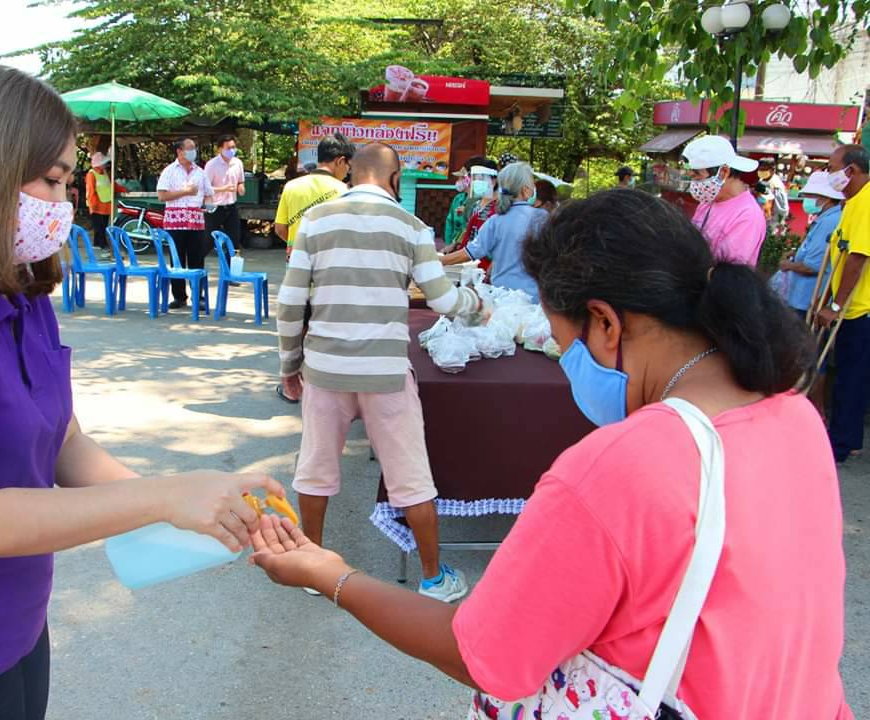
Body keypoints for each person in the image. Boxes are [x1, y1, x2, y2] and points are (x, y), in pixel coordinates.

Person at [253, 188, 851, 720]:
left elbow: (482, 653)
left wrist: (332, 575)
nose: (569, 366)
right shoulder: (793, 413)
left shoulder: (620, 465)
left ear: (605, 323)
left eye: (565, 346)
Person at [0, 65, 282, 720]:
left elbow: (64, 441)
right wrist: (164, 497)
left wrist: (193, 502)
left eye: (68, 182)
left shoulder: (19, 291)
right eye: (51, 180)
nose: (63, 201)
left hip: (19, 624)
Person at [276, 143, 481, 602]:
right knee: (411, 476)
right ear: (395, 179)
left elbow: (289, 304)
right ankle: (433, 578)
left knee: (314, 468)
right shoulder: (411, 227)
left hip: (325, 368)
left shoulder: (315, 221)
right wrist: (476, 305)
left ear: (352, 175)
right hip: (386, 373)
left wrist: (290, 365)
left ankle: (313, 566)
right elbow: (443, 299)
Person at [815, 144, 870, 463]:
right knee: (851, 374)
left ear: (852, 170)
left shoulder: (866, 203)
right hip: (852, 306)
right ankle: (848, 438)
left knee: (850, 377)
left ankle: (841, 443)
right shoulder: (852, 202)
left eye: (832, 167)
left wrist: (835, 306)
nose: (829, 173)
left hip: (860, 309)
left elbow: (858, 258)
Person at [440, 162, 548, 300]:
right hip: (532, 297)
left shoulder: (495, 220)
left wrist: (437, 261)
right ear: (525, 190)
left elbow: (470, 252)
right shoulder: (541, 218)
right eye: (533, 184)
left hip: (500, 295)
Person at [682, 135, 766, 266]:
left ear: (723, 172)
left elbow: (727, 270)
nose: (694, 184)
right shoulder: (708, 202)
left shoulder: (748, 215)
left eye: (697, 177)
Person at [274, 132, 353, 259]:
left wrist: (297, 246)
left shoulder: (291, 186)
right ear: (341, 161)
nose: (347, 172)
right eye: (349, 166)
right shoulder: (345, 191)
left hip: (296, 260)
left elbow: (280, 228)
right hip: (330, 261)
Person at [157, 138, 214, 310]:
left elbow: (208, 194)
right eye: (189, 148)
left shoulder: (200, 172)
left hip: (196, 221)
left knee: (197, 259)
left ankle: (199, 296)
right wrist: (185, 192)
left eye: (194, 148)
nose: (193, 151)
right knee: (177, 260)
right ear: (179, 151)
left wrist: (209, 206)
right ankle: (179, 296)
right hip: (175, 222)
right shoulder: (169, 171)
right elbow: (162, 196)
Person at [780, 170, 844, 316]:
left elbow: (813, 266)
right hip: (803, 296)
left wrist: (788, 265)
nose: (807, 200)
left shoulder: (829, 222)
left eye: (810, 196)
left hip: (807, 299)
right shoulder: (826, 218)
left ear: (826, 198)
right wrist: (797, 253)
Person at [204, 134, 246, 248]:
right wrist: (224, 189)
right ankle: (196, 258)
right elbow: (205, 188)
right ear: (220, 149)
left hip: (231, 205)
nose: (231, 150)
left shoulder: (238, 163)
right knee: (208, 240)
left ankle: (230, 260)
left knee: (234, 239)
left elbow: (240, 181)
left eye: (233, 147)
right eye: (228, 148)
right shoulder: (212, 165)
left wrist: (241, 187)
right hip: (214, 206)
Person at [85, 151, 126, 249]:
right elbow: (91, 190)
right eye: (104, 163)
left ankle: (101, 244)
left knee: (103, 226)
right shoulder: (91, 174)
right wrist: (93, 205)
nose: (106, 165)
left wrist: (124, 190)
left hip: (106, 205)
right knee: (98, 227)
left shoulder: (105, 173)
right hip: (97, 206)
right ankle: (100, 244)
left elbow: (112, 185)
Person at [758, 156, 790, 226]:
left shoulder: (776, 185)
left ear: (773, 170)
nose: (761, 172)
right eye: (760, 169)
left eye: (764, 169)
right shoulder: (762, 179)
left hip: (772, 220)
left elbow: (781, 208)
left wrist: (773, 223)